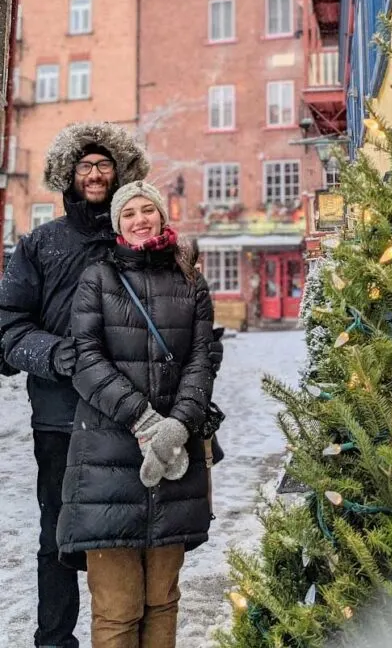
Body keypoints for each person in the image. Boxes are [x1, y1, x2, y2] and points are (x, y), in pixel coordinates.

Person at [0, 122, 150, 648]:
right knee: (57, 539)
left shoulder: (135, 235)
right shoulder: (40, 244)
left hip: (131, 416)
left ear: (120, 173)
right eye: (84, 165)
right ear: (67, 173)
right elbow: (8, 327)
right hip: (61, 419)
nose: (94, 173)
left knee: (128, 537)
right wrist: (57, 354)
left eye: (104, 164)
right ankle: (54, 640)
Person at [57, 180, 216, 648]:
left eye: (148, 210)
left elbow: (202, 360)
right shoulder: (97, 278)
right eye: (129, 213)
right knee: (118, 607)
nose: (140, 219)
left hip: (175, 459)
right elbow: (86, 360)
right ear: (117, 223)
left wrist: (178, 424)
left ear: (162, 217)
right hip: (107, 460)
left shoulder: (190, 280)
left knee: (163, 599)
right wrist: (144, 420)